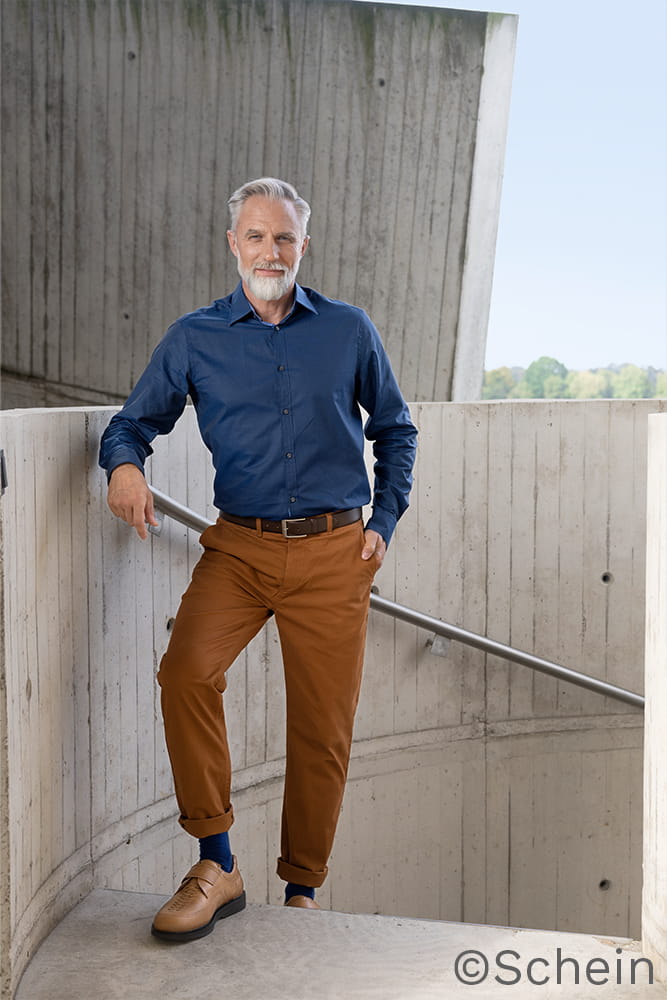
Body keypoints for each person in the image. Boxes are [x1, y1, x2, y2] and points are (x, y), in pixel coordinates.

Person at [99, 177, 417, 942]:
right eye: (254, 235)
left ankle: (302, 890)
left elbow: (396, 429)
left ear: (303, 246)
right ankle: (217, 862)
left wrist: (386, 519)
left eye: (282, 237)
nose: (268, 250)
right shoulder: (194, 337)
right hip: (237, 548)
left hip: (337, 549)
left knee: (322, 727)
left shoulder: (347, 330)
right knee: (185, 672)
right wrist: (124, 467)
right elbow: (130, 424)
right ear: (232, 244)